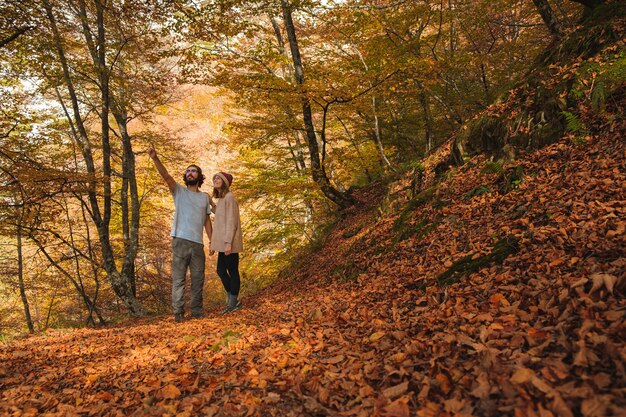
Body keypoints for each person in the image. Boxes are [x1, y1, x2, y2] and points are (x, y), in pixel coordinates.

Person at [148, 145, 213, 322]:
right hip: (180, 241)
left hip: (198, 244)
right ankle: (178, 313)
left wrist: (212, 241)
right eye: (188, 171)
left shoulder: (204, 197)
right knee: (179, 279)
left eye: (194, 171)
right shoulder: (178, 191)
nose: (190, 173)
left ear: (199, 177)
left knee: (198, 279)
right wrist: (155, 158)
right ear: (185, 177)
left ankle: (197, 311)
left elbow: (207, 220)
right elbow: (166, 176)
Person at [211, 172, 243, 313]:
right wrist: (211, 203)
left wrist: (228, 242)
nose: (215, 180)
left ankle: (232, 303)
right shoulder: (223, 199)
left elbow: (231, 221)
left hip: (228, 243)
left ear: (225, 182)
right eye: (214, 178)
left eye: (219, 178)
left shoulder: (230, 197)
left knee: (232, 271)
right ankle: (233, 301)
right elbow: (220, 214)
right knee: (221, 270)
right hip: (224, 243)